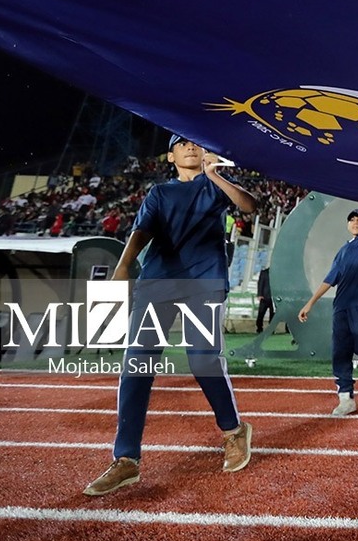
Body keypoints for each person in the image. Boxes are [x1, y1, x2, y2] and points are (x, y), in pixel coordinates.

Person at [83, 135, 257, 497]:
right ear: (170, 156)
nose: (191, 147)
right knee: (137, 365)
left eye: (196, 143)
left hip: (205, 281)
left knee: (203, 359)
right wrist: (123, 267)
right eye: (182, 143)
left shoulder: (214, 187)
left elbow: (249, 206)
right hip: (158, 281)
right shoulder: (159, 193)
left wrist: (215, 174)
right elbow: (141, 231)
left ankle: (234, 431)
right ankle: (126, 459)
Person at [299, 207, 358, 415]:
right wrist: (310, 303)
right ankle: (346, 398)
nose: (355, 223)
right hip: (342, 305)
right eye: (351, 220)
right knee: (340, 351)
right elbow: (330, 279)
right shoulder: (342, 251)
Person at [255, 266, 275, 334]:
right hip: (264, 297)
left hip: (274, 297)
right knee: (261, 313)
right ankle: (259, 328)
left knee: (273, 314)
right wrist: (259, 294)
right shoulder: (264, 272)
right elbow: (260, 283)